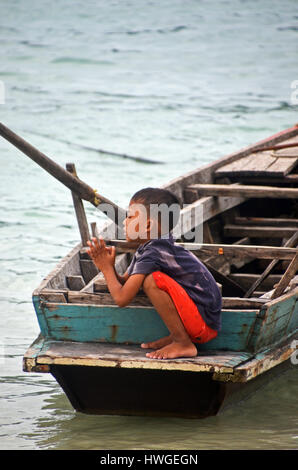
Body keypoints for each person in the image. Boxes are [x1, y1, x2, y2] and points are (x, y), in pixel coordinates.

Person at [86, 187, 222, 360]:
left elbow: (122, 298)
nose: (124, 222)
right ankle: (177, 337)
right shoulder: (150, 248)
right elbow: (125, 284)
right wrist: (109, 266)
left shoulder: (153, 253)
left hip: (203, 325)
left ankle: (182, 343)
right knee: (150, 278)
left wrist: (105, 269)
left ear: (148, 224)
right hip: (201, 320)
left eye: (130, 217)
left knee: (152, 280)